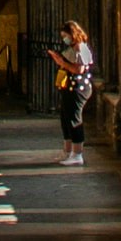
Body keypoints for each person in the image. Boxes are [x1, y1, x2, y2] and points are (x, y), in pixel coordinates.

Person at [49, 18, 95, 163]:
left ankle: (77, 154)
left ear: (73, 34)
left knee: (75, 119)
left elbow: (79, 69)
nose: (64, 39)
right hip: (69, 87)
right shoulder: (73, 48)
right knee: (65, 118)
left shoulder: (81, 48)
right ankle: (68, 151)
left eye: (66, 36)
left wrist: (62, 63)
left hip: (78, 88)